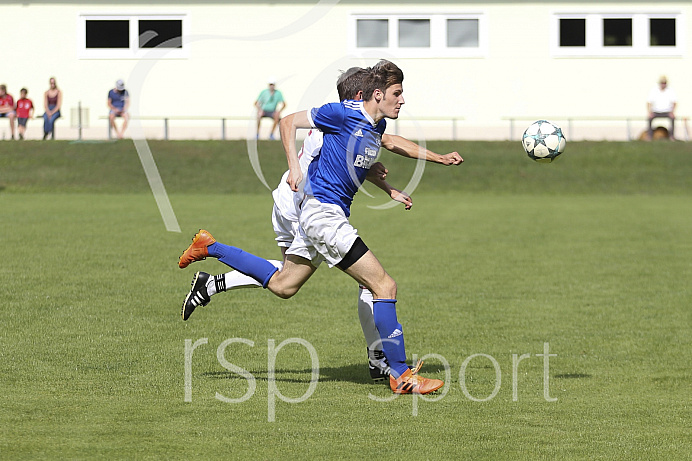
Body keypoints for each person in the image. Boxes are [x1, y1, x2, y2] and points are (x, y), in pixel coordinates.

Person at [179, 61, 463, 394]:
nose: (402, 100)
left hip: (322, 217)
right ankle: (399, 374)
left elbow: (392, 143)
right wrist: (294, 168)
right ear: (376, 93)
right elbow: (287, 122)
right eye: (397, 93)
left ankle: (210, 247)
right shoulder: (342, 113)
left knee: (285, 285)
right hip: (324, 216)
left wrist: (437, 160)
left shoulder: (376, 124)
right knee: (384, 286)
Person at [647, 75, 677, 141]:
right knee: (649, 118)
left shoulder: (670, 90)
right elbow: (649, 102)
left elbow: (674, 102)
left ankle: (671, 136)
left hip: (667, 111)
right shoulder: (654, 90)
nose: (663, 84)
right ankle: (649, 136)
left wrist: (672, 112)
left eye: (664, 83)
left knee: (672, 118)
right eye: (662, 83)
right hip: (656, 111)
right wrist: (649, 112)